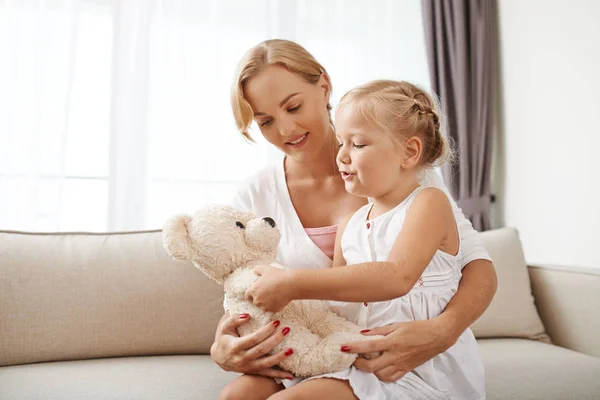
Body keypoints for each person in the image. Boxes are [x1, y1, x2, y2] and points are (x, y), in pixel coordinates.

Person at [214, 39, 497, 400]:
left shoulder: (408, 177)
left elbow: (474, 266)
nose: (285, 130)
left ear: (324, 85)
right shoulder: (256, 197)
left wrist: (444, 330)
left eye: (294, 106)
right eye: (266, 121)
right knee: (235, 396)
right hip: (331, 347)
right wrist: (222, 346)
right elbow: (249, 293)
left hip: (404, 359)